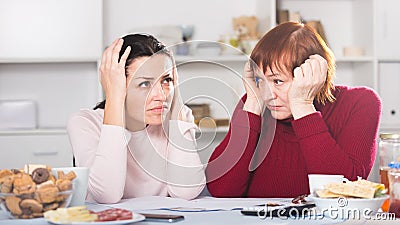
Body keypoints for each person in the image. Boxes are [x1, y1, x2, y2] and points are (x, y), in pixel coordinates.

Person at [206, 22, 382, 198]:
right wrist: (252, 105)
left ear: (311, 76)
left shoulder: (360, 103)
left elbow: (344, 193)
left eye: (277, 81)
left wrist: (302, 105)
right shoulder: (255, 101)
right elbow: (221, 190)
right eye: (260, 80)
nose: (268, 95)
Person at [67, 34, 205, 204]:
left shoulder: (177, 118)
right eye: (145, 84)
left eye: (166, 80)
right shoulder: (85, 122)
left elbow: (187, 191)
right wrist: (114, 97)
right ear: (117, 84)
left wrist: (177, 106)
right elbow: (106, 195)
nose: (160, 96)